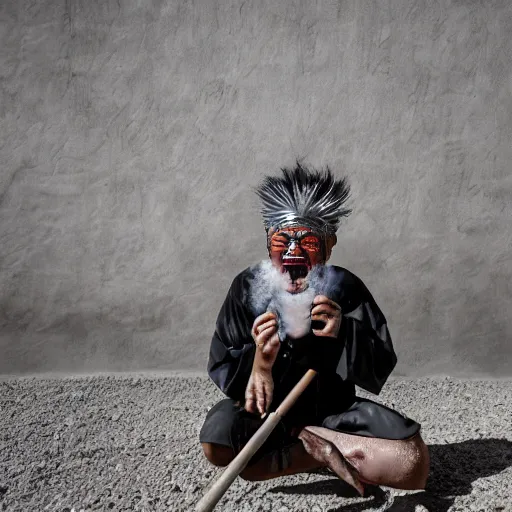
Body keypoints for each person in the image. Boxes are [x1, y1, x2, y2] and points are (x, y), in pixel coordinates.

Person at [199, 162, 430, 493]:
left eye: (305, 241)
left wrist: (344, 332)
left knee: (411, 463)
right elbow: (221, 360)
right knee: (216, 440)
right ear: (268, 242)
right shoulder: (247, 288)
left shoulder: (344, 287)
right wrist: (259, 365)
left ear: (328, 244)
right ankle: (313, 451)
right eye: (283, 241)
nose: (293, 252)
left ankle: (316, 443)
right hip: (266, 415)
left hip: (334, 413)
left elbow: (381, 362)